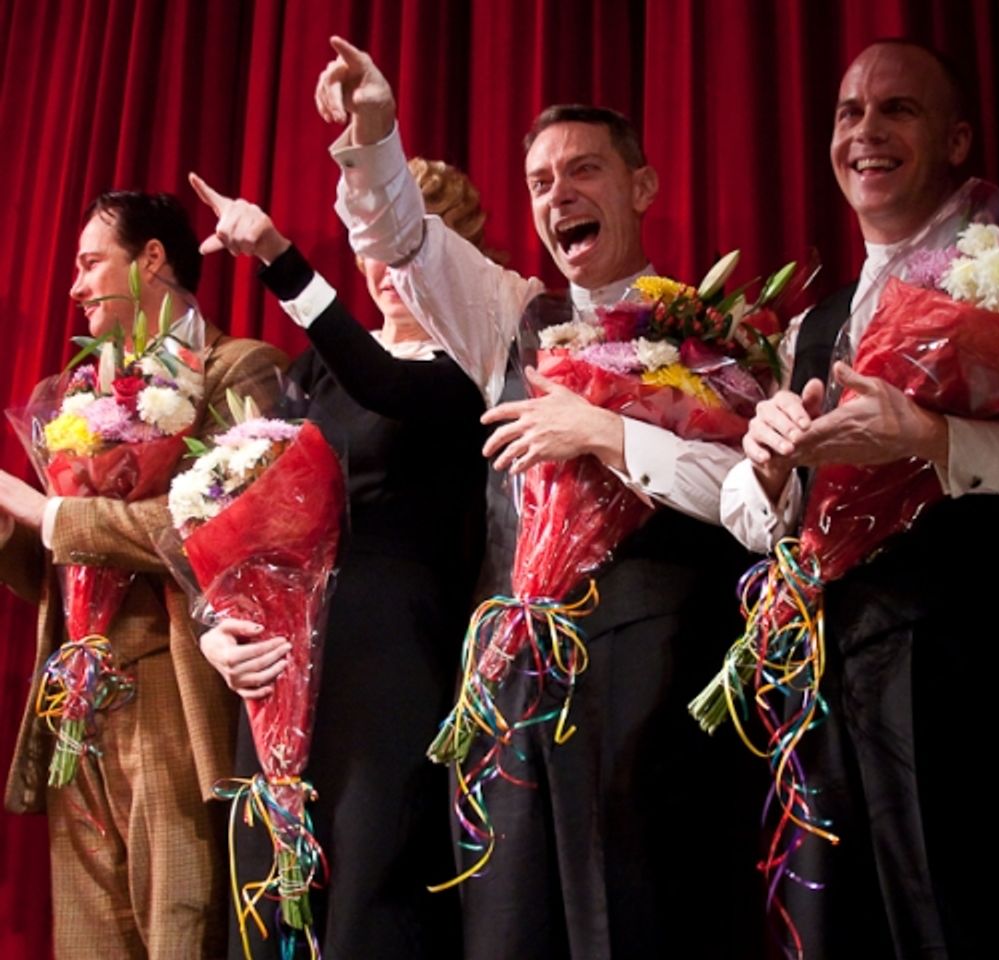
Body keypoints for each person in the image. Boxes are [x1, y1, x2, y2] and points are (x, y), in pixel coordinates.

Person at [310, 36, 766, 960]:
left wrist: (606, 433)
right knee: (508, 930)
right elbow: (407, 241)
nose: (560, 195)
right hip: (509, 688)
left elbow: (753, 501)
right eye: (542, 182)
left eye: (585, 170)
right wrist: (374, 138)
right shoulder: (513, 317)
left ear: (642, 187)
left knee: (639, 921)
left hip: (654, 683)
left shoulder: (720, 335)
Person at [719, 40, 999, 959]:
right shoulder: (816, 321)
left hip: (964, 674)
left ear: (957, 140)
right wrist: (760, 470)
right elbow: (762, 518)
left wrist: (936, 441)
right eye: (848, 113)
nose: (865, 132)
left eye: (896, 110)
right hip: (823, 685)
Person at [188, 159, 488, 958]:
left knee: (371, 891)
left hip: (393, 662)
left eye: (414, 244)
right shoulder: (312, 370)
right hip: (282, 662)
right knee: (267, 887)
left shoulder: (470, 371)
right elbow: (240, 510)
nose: (391, 268)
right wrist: (213, 623)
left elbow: (385, 383)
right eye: (377, 245)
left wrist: (281, 259)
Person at [0, 191, 288, 959]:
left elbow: (220, 533)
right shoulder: (74, 397)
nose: (74, 286)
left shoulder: (242, 366)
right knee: (86, 940)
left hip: (171, 682)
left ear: (152, 260)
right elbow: (45, 572)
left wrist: (50, 513)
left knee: (179, 926)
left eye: (91, 262)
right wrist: (11, 518)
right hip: (74, 699)